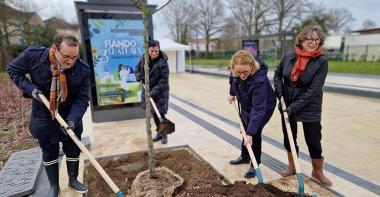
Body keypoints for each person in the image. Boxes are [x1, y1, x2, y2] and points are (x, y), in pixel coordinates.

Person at [7, 34, 90, 196]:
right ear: (55, 48)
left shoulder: (82, 69)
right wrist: (30, 89)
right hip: (44, 116)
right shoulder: (34, 56)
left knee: (73, 149)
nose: (71, 62)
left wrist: (73, 120)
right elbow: (13, 70)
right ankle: (54, 186)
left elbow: (82, 99)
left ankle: (73, 179)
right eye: (66, 57)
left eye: (75, 57)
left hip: (69, 116)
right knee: (49, 151)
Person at [273, 25, 332, 186]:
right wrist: (279, 93)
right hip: (287, 102)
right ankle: (292, 167)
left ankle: (317, 171)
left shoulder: (321, 61)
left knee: (313, 139)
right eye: (310, 39)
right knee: (289, 136)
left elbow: (314, 89)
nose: (313, 42)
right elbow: (278, 75)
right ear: (302, 40)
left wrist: (294, 107)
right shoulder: (289, 56)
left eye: (317, 39)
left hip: (309, 104)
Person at [228, 50, 276, 178]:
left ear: (252, 66)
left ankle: (255, 164)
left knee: (254, 132)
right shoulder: (236, 72)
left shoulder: (258, 81)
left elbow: (258, 109)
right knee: (245, 127)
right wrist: (232, 93)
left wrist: (250, 133)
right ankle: (244, 156)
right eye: (239, 72)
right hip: (247, 103)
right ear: (233, 68)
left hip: (264, 107)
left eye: (245, 72)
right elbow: (233, 79)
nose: (242, 75)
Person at [135, 40, 170, 144]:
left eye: (156, 51)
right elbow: (137, 69)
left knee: (160, 114)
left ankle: (164, 135)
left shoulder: (163, 64)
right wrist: (139, 77)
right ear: (148, 50)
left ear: (159, 49)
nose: (154, 53)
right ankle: (159, 134)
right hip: (148, 91)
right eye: (152, 51)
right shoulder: (144, 59)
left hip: (160, 92)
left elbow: (163, 82)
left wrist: (151, 93)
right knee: (154, 115)